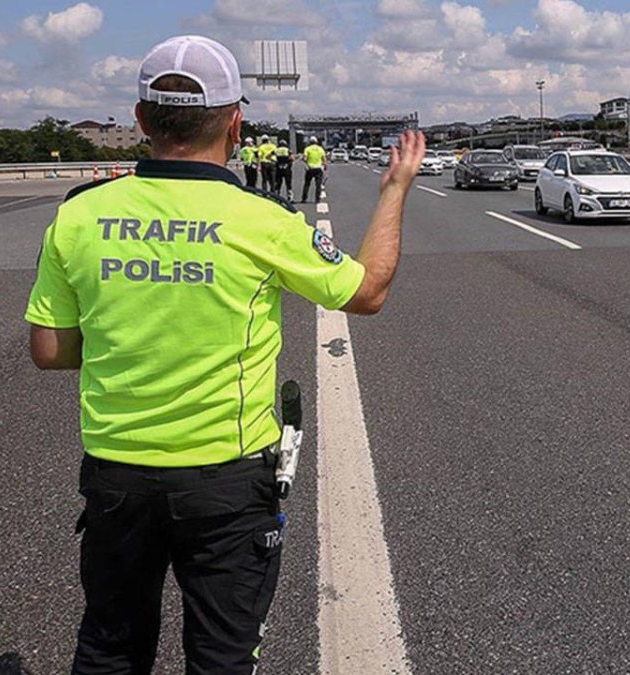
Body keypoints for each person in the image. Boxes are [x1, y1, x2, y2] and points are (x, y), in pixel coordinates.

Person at [23, 34, 425, 675]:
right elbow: (367, 290)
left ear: (140, 120)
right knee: (222, 656)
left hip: (116, 475)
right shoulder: (261, 220)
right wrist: (396, 188)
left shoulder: (78, 216)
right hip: (226, 479)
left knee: (109, 647)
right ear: (236, 123)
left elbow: (49, 350)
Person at [300, 135, 326, 203]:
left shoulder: (307, 149)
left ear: (310, 142)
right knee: (318, 185)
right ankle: (317, 199)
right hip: (318, 168)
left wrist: (305, 160)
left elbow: (304, 158)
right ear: (316, 142)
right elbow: (324, 159)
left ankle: (304, 198)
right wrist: (325, 166)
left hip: (310, 168)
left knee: (307, 184)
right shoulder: (320, 149)